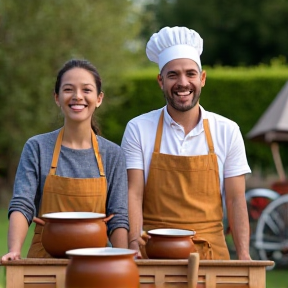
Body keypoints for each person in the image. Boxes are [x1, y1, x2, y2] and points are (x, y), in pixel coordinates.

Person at [121, 26, 251, 260]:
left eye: (190, 74)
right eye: (173, 75)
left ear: (202, 78)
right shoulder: (138, 128)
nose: (183, 83)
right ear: (161, 81)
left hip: (212, 257)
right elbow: (134, 193)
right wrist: (132, 243)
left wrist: (243, 256)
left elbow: (235, 199)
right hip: (154, 256)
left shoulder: (227, 130)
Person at [2, 59, 129, 260]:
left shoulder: (113, 154)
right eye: (69, 89)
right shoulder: (37, 147)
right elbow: (22, 204)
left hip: (95, 264)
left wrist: (123, 259)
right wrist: (15, 250)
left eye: (86, 90)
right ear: (57, 97)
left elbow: (118, 218)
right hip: (43, 262)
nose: (78, 96)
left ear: (99, 98)